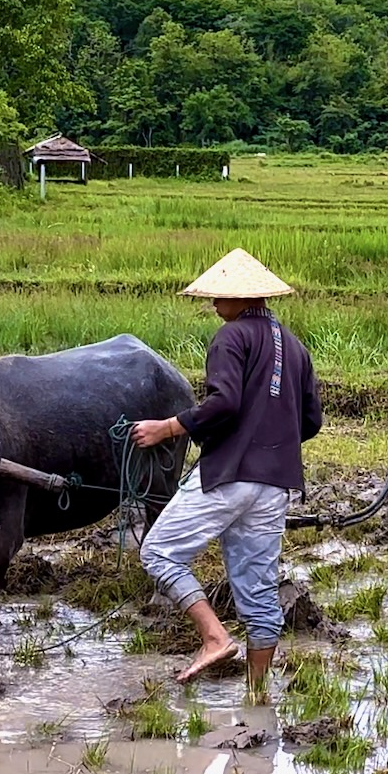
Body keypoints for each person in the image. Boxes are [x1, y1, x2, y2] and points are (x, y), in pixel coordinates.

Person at [130, 248, 324, 687]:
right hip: (275, 484)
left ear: (243, 299)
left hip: (229, 474)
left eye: (220, 297)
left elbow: (225, 402)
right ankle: (257, 696)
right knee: (258, 591)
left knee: (158, 552)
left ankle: (214, 636)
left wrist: (167, 428)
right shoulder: (295, 347)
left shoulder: (231, 338)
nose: (214, 305)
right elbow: (310, 422)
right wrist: (273, 440)